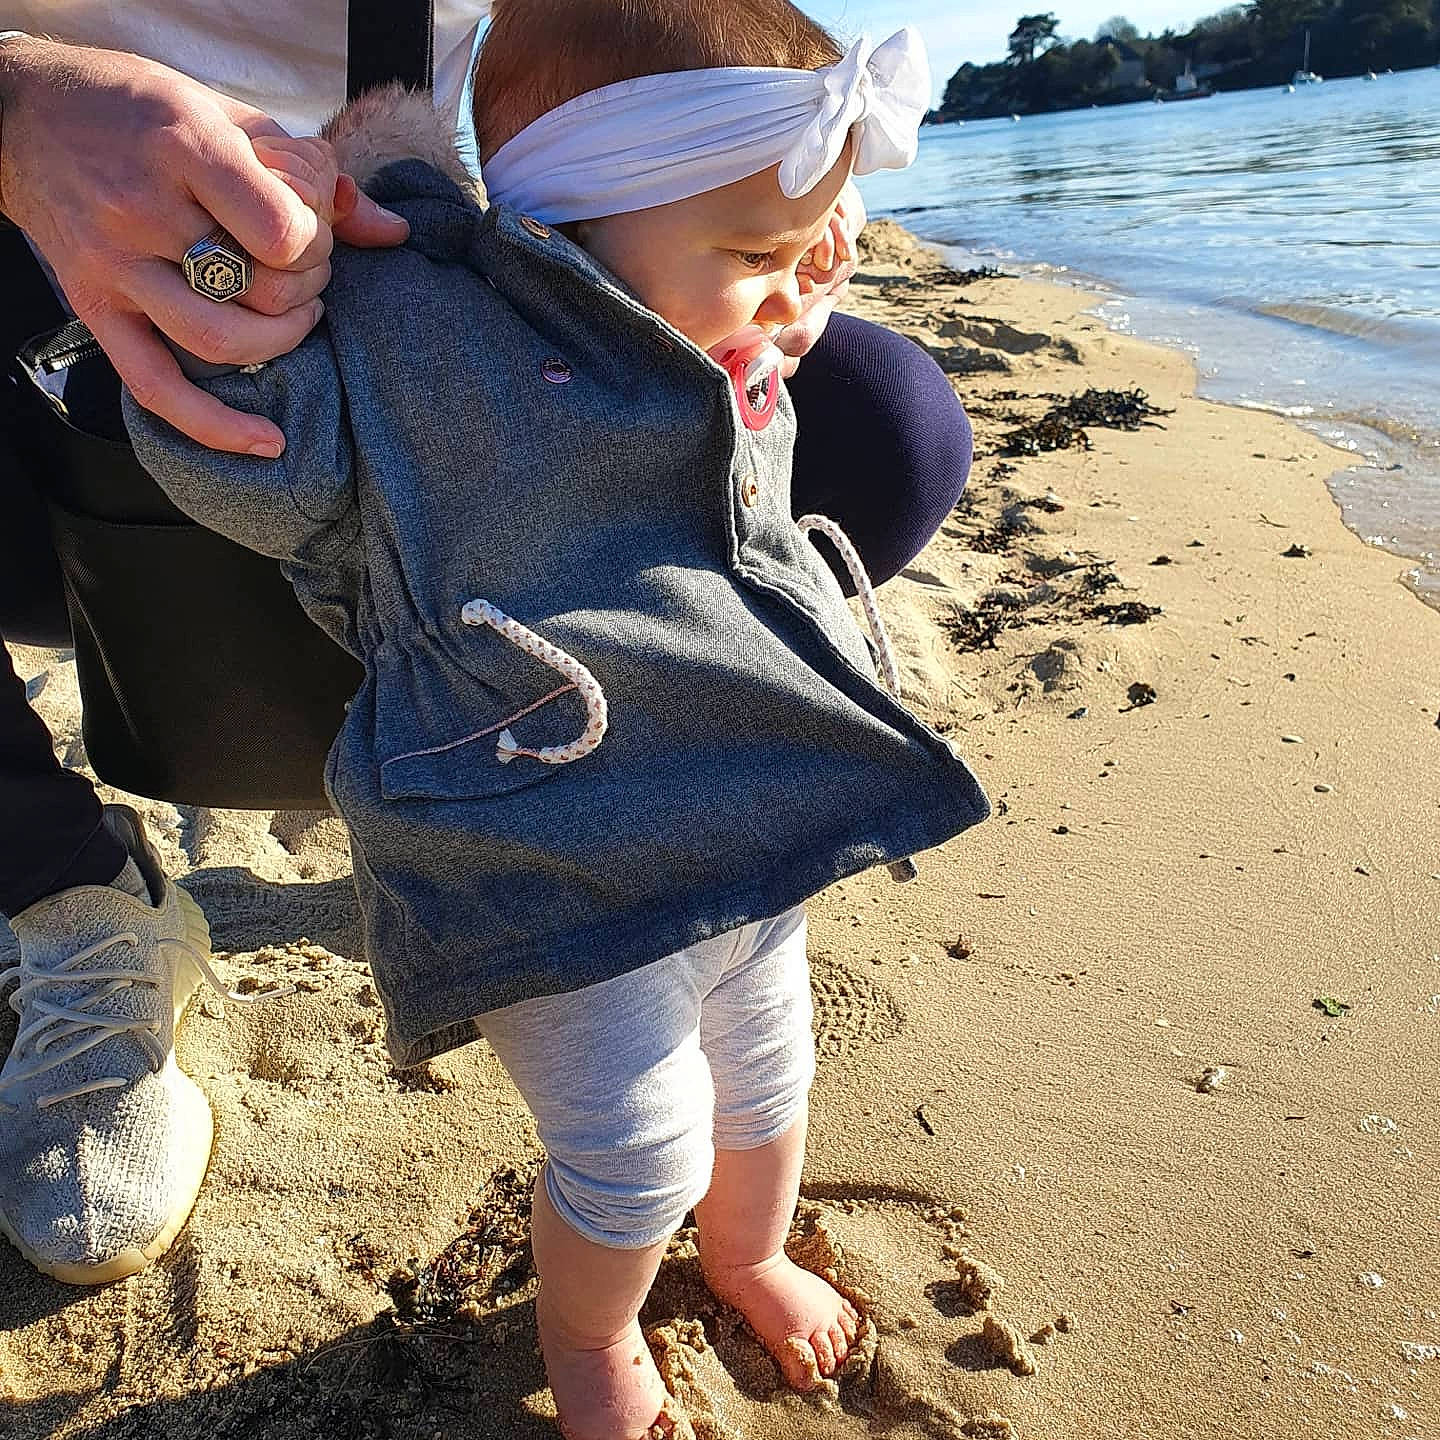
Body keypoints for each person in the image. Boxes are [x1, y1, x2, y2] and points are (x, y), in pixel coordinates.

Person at [0, 1, 972, 1297]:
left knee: (771, 1061)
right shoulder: (423, 356)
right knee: (634, 1147)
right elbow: (260, 463)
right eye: (762, 251)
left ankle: (745, 1253)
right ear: (566, 242)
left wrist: (781, 266)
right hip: (113, 358)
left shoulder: (682, 308)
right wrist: (83, 172)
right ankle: (67, 893)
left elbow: (651, 52)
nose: (805, 279)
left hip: (697, 776)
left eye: (818, 253)